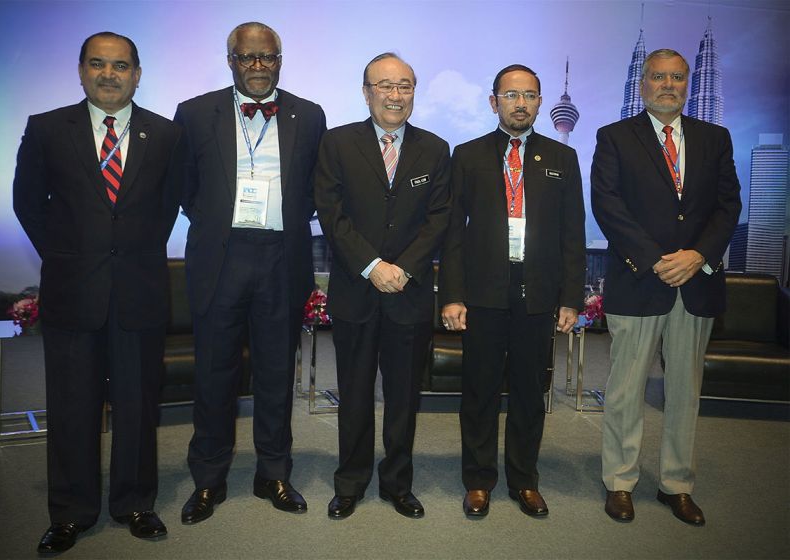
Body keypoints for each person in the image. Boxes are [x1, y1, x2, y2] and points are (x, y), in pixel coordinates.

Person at [13, 32, 183, 553]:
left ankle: (135, 503)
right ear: (81, 70)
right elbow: (27, 203)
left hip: (139, 293)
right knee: (71, 407)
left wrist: (131, 253)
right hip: (72, 292)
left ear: (137, 74)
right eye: (98, 64)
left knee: (137, 406)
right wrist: (67, 254)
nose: (109, 74)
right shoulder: (46, 129)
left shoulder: (166, 134)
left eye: (121, 65)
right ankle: (70, 512)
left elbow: (167, 207)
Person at [173, 22, 326, 523]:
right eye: (247, 57)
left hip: (282, 257)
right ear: (230, 61)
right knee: (214, 374)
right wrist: (219, 221)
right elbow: (184, 187)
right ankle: (208, 479)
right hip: (221, 258)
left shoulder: (310, 114)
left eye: (268, 57)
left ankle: (274, 473)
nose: (258, 66)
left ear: (280, 61)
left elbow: (314, 188)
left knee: (277, 373)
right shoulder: (195, 113)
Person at [591, 48, 742, 526]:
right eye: (659, 77)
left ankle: (677, 484)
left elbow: (728, 206)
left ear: (687, 83)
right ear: (643, 84)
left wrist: (698, 256)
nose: (669, 85)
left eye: (678, 77)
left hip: (695, 285)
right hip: (640, 280)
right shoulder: (615, 137)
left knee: (684, 392)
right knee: (625, 390)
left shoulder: (715, 138)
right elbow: (607, 204)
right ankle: (620, 481)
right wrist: (657, 260)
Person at [438, 64, 586, 518]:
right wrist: (452, 294)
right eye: (511, 95)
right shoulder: (467, 155)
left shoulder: (563, 158)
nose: (521, 104)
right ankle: (478, 480)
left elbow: (572, 233)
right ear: (494, 102)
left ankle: (524, 480)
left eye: (529, 95)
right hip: (483, 293)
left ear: (540, 102)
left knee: (528, 392)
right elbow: (452, 232)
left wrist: (570, 297)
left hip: (537, 294)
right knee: (479, 391)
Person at [315, 52, 451, 520]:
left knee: (403, 397)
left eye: (405, 86)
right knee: (353, 394)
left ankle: (397, 483)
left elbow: (439, 218)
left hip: (408, 295)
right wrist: (372, 265)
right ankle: (350, 482)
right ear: (366, 92)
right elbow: (331, 214)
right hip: (356, 291)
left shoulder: (435, 148)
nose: (396, 95)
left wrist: (404, 269)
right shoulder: (337, 143)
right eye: (385, 86)